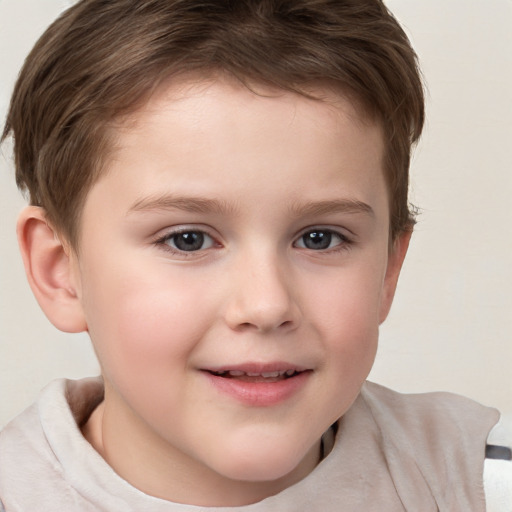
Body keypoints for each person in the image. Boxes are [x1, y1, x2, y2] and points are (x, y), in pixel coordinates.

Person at [0, 0, 510, 510]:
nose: (266, 306)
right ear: (60, 270)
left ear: (387, 272)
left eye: (320, 238)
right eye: (188, 239)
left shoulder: (478, 486)